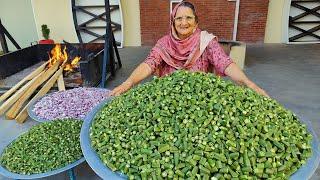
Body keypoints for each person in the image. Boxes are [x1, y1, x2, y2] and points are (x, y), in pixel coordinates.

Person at [111, 1, 269, 97]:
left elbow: (224, 63)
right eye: (178, 18)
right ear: (173, 22)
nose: (183, 23)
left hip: (200, 97)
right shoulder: (164, 43)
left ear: (196, 21)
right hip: (166, 95)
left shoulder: (206, 41)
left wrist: (248, 83)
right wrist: (129, 82)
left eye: (189, 18)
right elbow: (149, 63)